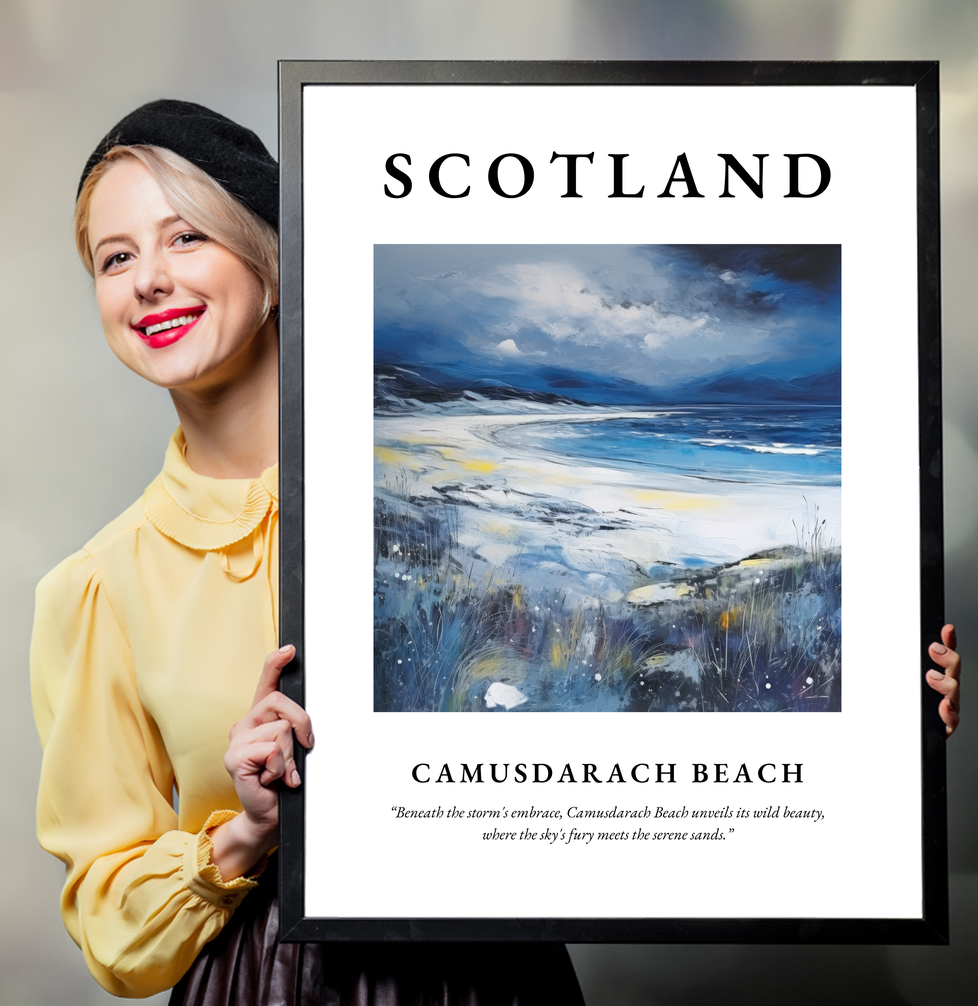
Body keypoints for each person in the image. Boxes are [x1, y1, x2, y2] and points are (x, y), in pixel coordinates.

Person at [30, 100, 585, 1004]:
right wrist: (245, 832)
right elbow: (110, 924)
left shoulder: (455, 510)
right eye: (116, 257)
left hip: (493, 973)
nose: (148, 281)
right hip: (264, 981)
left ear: (273, 264)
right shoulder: (98, 587)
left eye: (186, 239)